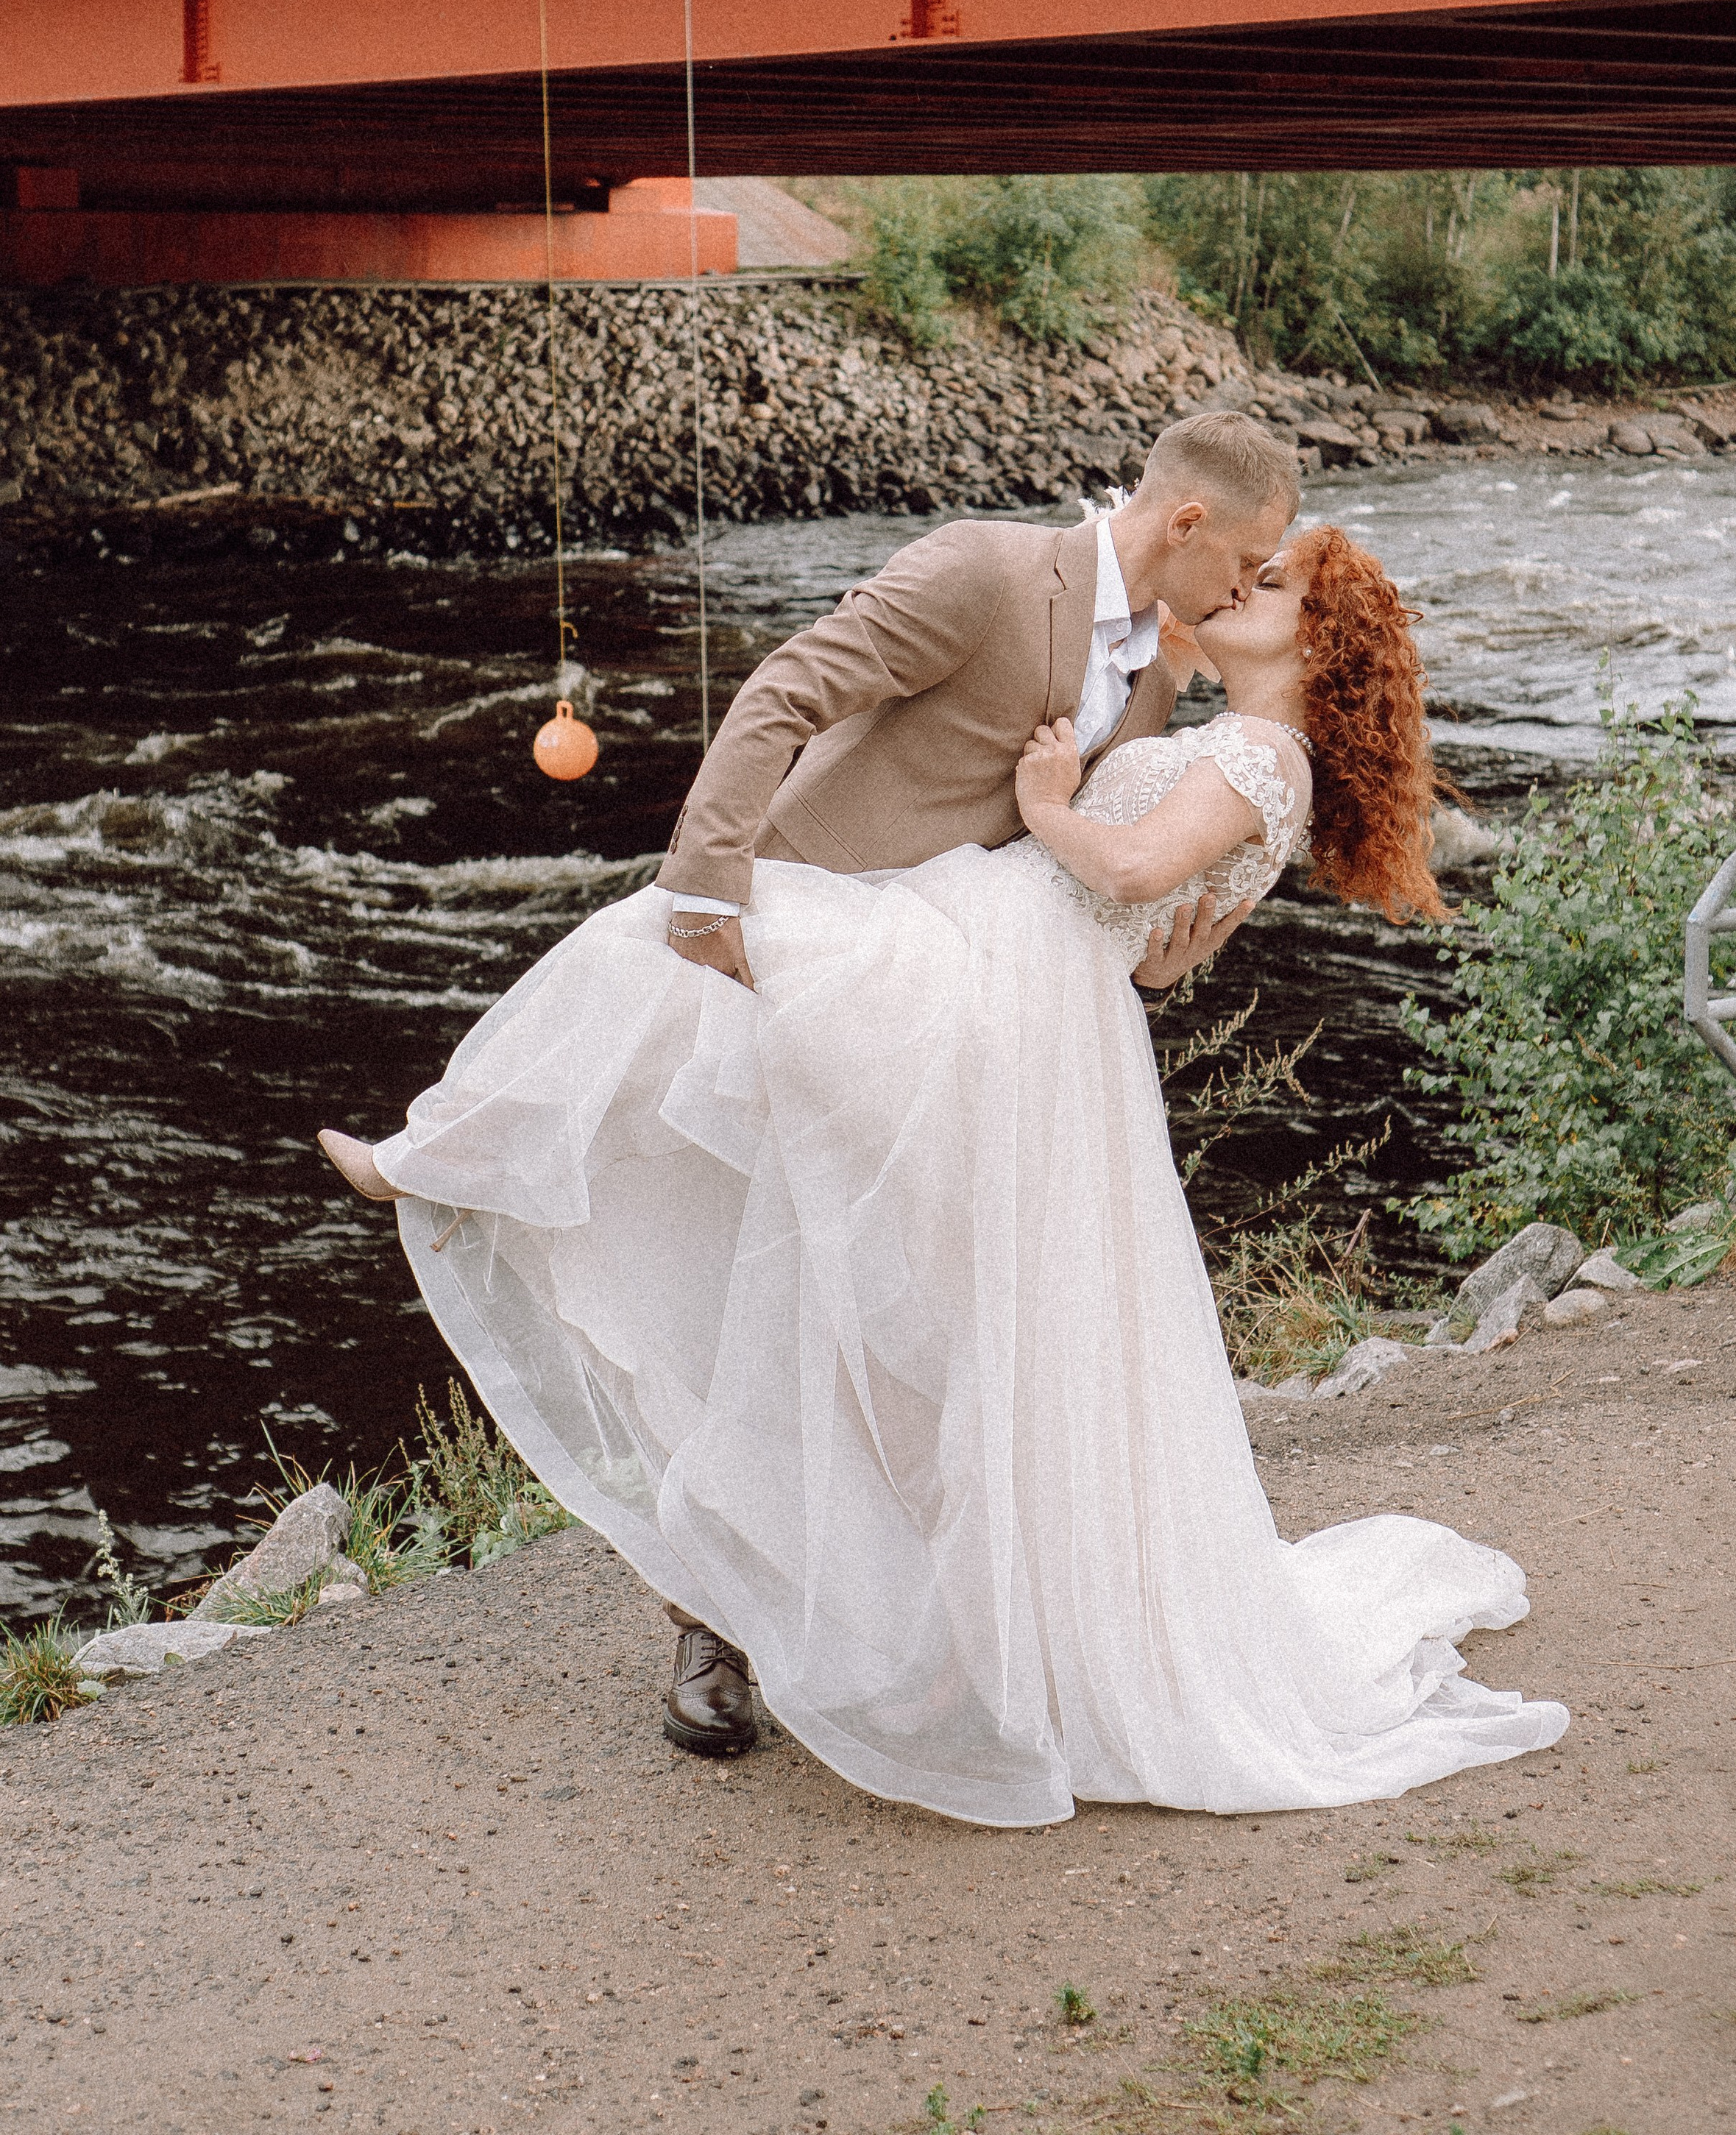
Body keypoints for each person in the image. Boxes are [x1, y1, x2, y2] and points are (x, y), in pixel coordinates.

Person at [318, 467, 1568, 1823]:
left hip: (994, 987)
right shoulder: (1111, 641)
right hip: (990, 973)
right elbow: (1146, 908)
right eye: (1246, 570)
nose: (1240, 594)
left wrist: (1052, 817)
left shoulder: (1266, 755)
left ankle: (452, 1157)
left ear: (1313, 644)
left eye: (1272, 587)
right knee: (835, 1273)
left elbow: (1137, 877)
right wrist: (1136, 892)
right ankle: (789, 1603)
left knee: (889, 1296)